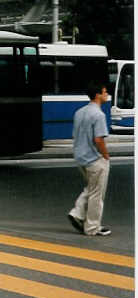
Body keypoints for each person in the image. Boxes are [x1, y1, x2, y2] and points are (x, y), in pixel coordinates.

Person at [67, 82, 111, 236]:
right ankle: (92, 227)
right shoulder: (99, 115)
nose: (107, 94)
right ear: (98, 95)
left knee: (92, 188)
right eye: (105, 92)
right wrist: (106, 155)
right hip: (94, 159)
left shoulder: (79, 112)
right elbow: (98, 139)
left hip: (80, 157)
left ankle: (77, 213)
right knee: (97, 194)